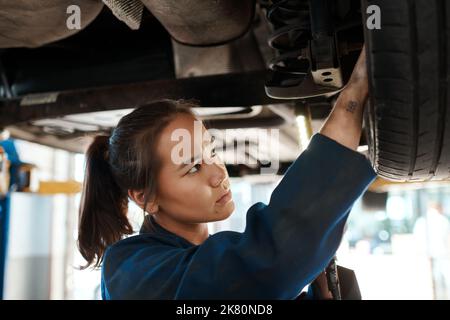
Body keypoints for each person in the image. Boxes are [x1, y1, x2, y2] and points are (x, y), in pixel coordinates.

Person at [78, 47, 376, 299]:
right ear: (147, 198)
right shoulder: (129, 272)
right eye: (193, 167)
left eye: (212, 152)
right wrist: (354, 94)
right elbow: (265, 265)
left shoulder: (206, 261)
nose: (218, 174)